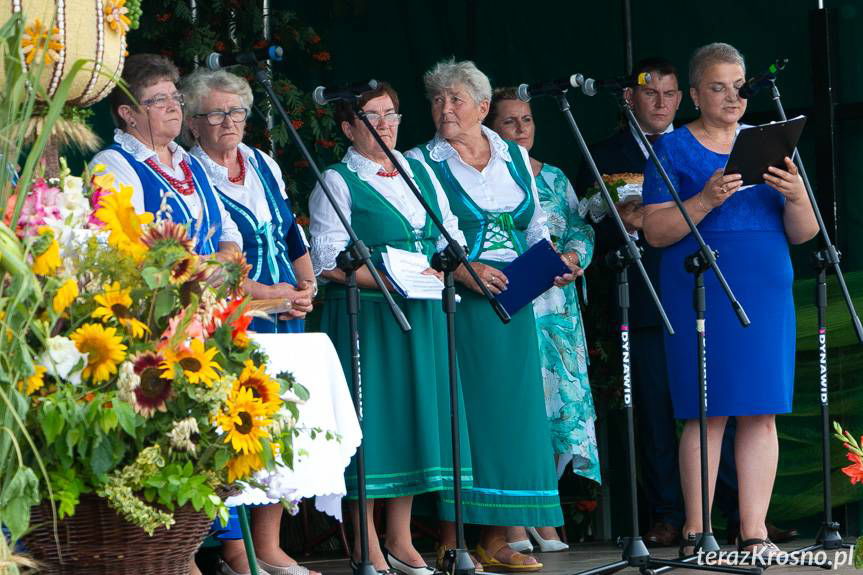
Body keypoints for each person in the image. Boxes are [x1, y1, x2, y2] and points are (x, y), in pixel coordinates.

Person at [641, 43, 817, 555]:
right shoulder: (672, 149)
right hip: (702, 282)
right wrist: (705, 199)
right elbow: (654, 231)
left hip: (764, 281)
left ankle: (755, 531)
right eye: (718, 87)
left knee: (762, 409)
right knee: (706, 408)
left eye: (739, 86)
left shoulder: (770, 143)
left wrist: (797, 196)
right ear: (695, 94)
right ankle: (699, 532)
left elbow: (803, 234)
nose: (732, 96)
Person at [407, 59, 577, 572]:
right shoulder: (422, 162)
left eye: (456, 99)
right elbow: (423, 233)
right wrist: (462, 268)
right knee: (464, 417)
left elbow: (535, 225)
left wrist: (553, 264)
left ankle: (497, 538)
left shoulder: (512, 157)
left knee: (512, 419)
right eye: (437, 100)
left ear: (483, 107)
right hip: (461, 306)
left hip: (517, 302)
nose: (445, 109)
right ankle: (451, 538)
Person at [309, 82, 473, 575]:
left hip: (421, 308)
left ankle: (401, 539)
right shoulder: (337, 181)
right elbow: (326, 260)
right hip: (370, 317)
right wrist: (387, 275)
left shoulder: (418, 170)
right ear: (348, 127)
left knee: (410, 422)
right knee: (375, 425)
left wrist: (440, 265)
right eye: (372, 117)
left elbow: (451, 231)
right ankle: (366, 542)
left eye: (391, 114)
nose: (384, 125)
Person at [181, 68, 319, 575]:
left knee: (279, 427)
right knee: (236, 427)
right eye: (216, 113)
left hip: (285, 311)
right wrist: (270, 297)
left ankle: (270, 543)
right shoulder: (193, 174)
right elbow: (213, 256)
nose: (229, 121)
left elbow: (291, 233)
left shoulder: (261, 162)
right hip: (234, 317)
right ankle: (236, 548)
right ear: (193, 123)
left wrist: (306, 288)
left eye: (236, 111)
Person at [485, 88, 597, 554]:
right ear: (489, 127)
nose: (521, 129)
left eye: (527, 120)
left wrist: (574, 254)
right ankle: (514, 520)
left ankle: (543, 510)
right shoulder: (486, 177)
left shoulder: (552, 176)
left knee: (559, 410)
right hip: (510, 305)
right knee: (520, 409)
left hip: (557, 309)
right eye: (509, 122)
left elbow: (579, 227)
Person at [91, 54, 241, 257]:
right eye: (160, 100)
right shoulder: (111, 165)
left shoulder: (191, 163)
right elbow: (127, 249)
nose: (173, 106)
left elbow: (228, 230)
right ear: (128, 114)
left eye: (176, 97)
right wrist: (200, 270)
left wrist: (226, 260)